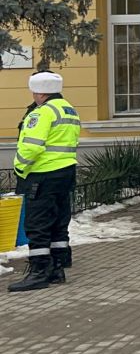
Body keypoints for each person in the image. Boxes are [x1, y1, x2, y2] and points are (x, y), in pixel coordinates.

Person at [9, 71, 81, 292]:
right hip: (65, 172)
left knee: (37, 224)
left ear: (40, 92)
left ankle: (39, 271)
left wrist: (19, 168)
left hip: (42, 174)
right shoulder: (69, 110)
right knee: (58, 222)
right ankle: (57, 268)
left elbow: (31, 146)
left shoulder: (41, 113)